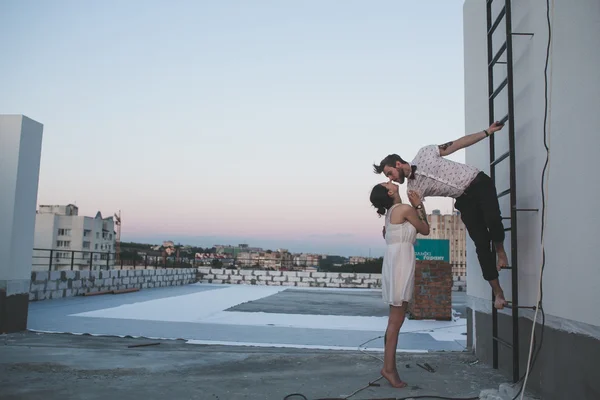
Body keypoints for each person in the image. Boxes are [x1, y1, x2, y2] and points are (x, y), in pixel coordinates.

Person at [373, 121, 509, 309]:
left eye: (390, 173)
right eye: (388, 177)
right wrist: (406, 212)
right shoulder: (412, 190)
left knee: (493, 219)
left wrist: (487, 132)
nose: (391, 178)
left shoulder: (425, 152)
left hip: (478, 182)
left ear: (397, 164)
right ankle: (498, 292)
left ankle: (501, 252)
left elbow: (457, 144)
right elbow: (416, 217)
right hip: (464, 200)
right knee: (480, 243)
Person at [369, 182, 430, 388]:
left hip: (395, 261)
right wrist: (419, 205)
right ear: (390, 192)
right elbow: (425, 229)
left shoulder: (390, 213)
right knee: (396, 321)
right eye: (387, 182)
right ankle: (388, 369)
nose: (390, 181)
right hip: (401, 263)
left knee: (394, 320)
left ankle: (389, 366)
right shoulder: (404, 209)